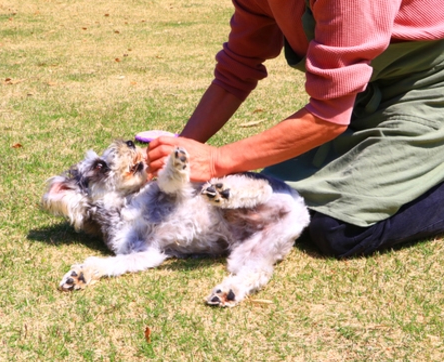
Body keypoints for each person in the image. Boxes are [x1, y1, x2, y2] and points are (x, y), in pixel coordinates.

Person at [145, 0, 444, 258]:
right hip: (361, 96)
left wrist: (215, 160)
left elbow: (329, 114)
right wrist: (178, 156)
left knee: (340, 227)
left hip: (429, 90)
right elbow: (236, 71)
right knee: (272, 197)